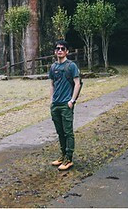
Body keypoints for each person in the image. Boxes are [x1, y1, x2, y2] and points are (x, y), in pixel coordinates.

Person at [49, 39, 81, 171]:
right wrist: (51, 100)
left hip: (66, 104)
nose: (60, 51)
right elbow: (51, 84)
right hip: (56, 104)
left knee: (68, 132)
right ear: (55, 51)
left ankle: (69, 158)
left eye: (63, 48)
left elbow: (77, 83)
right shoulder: (53, 67)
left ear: (67, 51)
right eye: (58, 49)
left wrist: (72, 101)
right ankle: (62, 155)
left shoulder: (71, 66)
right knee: (60, 132)